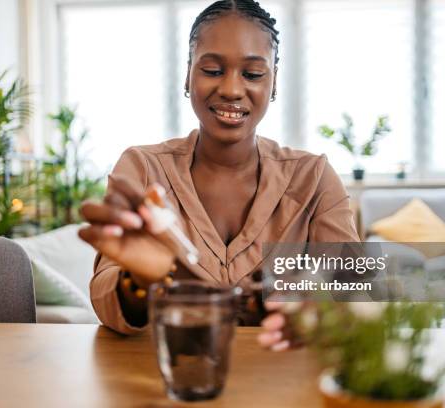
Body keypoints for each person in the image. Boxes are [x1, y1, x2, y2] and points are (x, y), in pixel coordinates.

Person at [78, 0, 359, 350]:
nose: (230, 89)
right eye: (212, 70)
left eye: (253, 74)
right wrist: (139, 282)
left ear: (273, 82)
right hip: (169, 383)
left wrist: (314, 305)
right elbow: (107, 296)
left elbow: (352, 285)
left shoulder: (314, 177)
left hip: (281, 383)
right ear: (187, 74)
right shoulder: (143, 168)